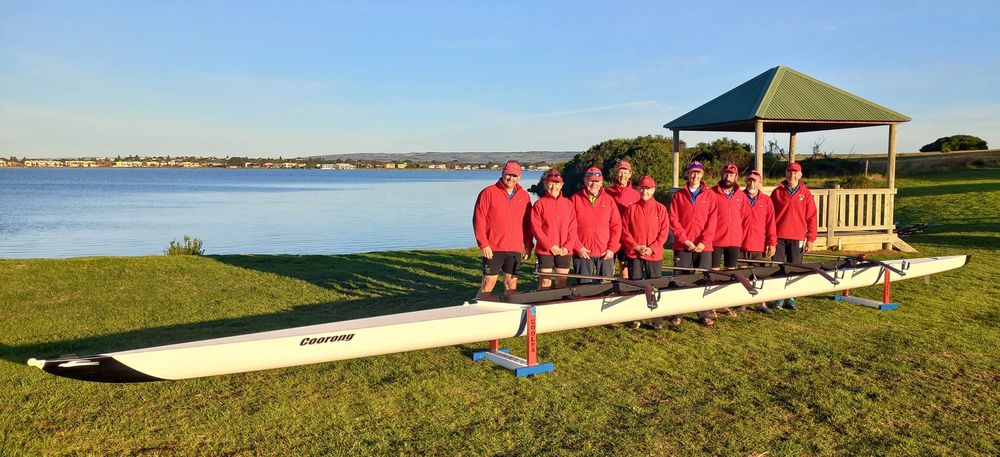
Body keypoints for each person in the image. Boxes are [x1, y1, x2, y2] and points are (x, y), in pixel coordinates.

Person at [472, 160, 533, 297]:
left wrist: (528, 245)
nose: (511, 178)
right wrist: (484, 244)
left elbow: (528, 224)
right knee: (488, 283)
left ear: (519, 177)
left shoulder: (524, 196)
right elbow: (478, 220)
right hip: (493, 248)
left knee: (511, 285)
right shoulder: (488, 193)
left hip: (515, 247)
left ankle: (509, 312)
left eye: (515, 176)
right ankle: (478, 311)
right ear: (503, 173)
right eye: (508, 175)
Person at [668, 161, 718, 328]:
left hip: (704, 246)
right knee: (681, 279)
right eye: (692, 172)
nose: (695, 175)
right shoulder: (679, 195)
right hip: (684, 246)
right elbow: (673, 220)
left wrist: (704, 242)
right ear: (688, 174)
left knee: (702, 279)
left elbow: (712, 221)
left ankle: (703, 313)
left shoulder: (710, 195)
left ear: (702, 174)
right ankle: (678, 313)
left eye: (698, 172)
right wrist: (685, 240)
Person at [621, 175, 669, 329]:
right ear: (637, 189)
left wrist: (652, 248)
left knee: (655, 285)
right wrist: (635, 246)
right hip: (635, 254)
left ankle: (656, 319)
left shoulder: (660, 208)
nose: (644, 191)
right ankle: (636, 317)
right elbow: (624, 230)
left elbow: (663, 232)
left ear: (653, 190)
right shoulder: (631, 208)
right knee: (636, 285)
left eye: (648, 188)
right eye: (642, 188)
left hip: (653, 255)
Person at [769, 162, 818, 310]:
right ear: (786, 173)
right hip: (779, 237)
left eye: (795, 172)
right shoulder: (777, 192)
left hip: (797, 237)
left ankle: (790, 297)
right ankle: (777, 297)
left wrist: (811, 238)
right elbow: (770, 216)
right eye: (790, 172)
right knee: (778, 267)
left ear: (800, 175)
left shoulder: (806, 194)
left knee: (794, 267)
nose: (792, 175)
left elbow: (812, 217)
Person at [571, 166, 622, 283]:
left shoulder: (609, 200)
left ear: (601, 182)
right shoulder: (575, 199)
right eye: (591, 181)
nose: (594, 184)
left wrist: (612, 249)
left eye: (597, 181)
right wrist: (578, 247)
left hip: (604, 253)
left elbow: (616, 226)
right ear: (585, 181)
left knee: (606, 287)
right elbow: (570, 228)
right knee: (583, 289)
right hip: (583, 252)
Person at [530, 169, 578, 290]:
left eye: (557, 183)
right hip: (545, 250)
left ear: (561, 185)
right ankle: (542, 306)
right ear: (546, 184)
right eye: (551, 183)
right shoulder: (539, 204)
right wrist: (550, 246)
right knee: (545, 282)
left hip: (564, 250)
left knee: (562, 282)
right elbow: (536, 228)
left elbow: (573, 228)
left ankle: (557, 306)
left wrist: (567, 247)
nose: (554, 186)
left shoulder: (568, 204)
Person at [710, 162, 746, 318]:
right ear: (721, 174)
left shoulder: (740, 195)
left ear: (736, 176)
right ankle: (711, 305)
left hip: (734, 239)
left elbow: (743, 217)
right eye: (726, 173)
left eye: (731, 174)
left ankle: (724, 303)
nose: (728, 177)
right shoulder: (712, 193)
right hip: (716, 239)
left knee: (730, 272)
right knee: (713, 273)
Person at [740, 169, 777, 315]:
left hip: (759, 244)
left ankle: (762, 302)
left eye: (754, 180)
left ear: (760, 182)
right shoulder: (739, 197)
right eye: (749, 180)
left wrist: (772, 242)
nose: (751, 183)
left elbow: (770, 223)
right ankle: (741, 301)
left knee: (760, 275)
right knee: (741, 273)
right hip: (741, 243)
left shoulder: (766, 200)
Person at [605, 160, 640, 279]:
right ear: (616, 174)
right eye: (620, 172)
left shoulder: (636, 195)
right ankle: (610, 293)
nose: (623, 176)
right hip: (610, 236)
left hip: (627, 237)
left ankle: (625, 292)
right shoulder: (607, 193)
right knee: (608, 269)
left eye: (625, 173)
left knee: (625, 269)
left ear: (630, 174)